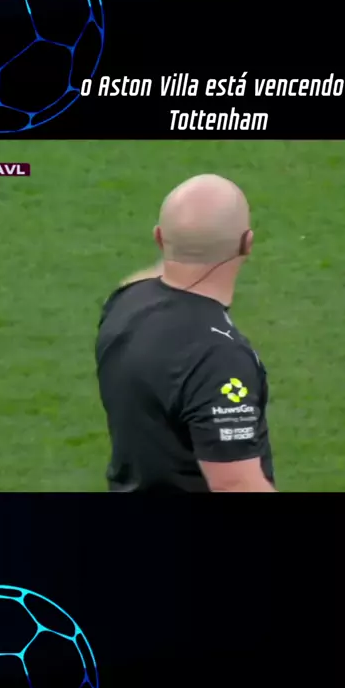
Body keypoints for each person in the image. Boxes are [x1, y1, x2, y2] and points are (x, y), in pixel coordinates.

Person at [95, 174, 276, 492]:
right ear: (247, 243)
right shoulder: (219, 358)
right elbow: (234, 484)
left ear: (159, 238)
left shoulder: (126, 302)